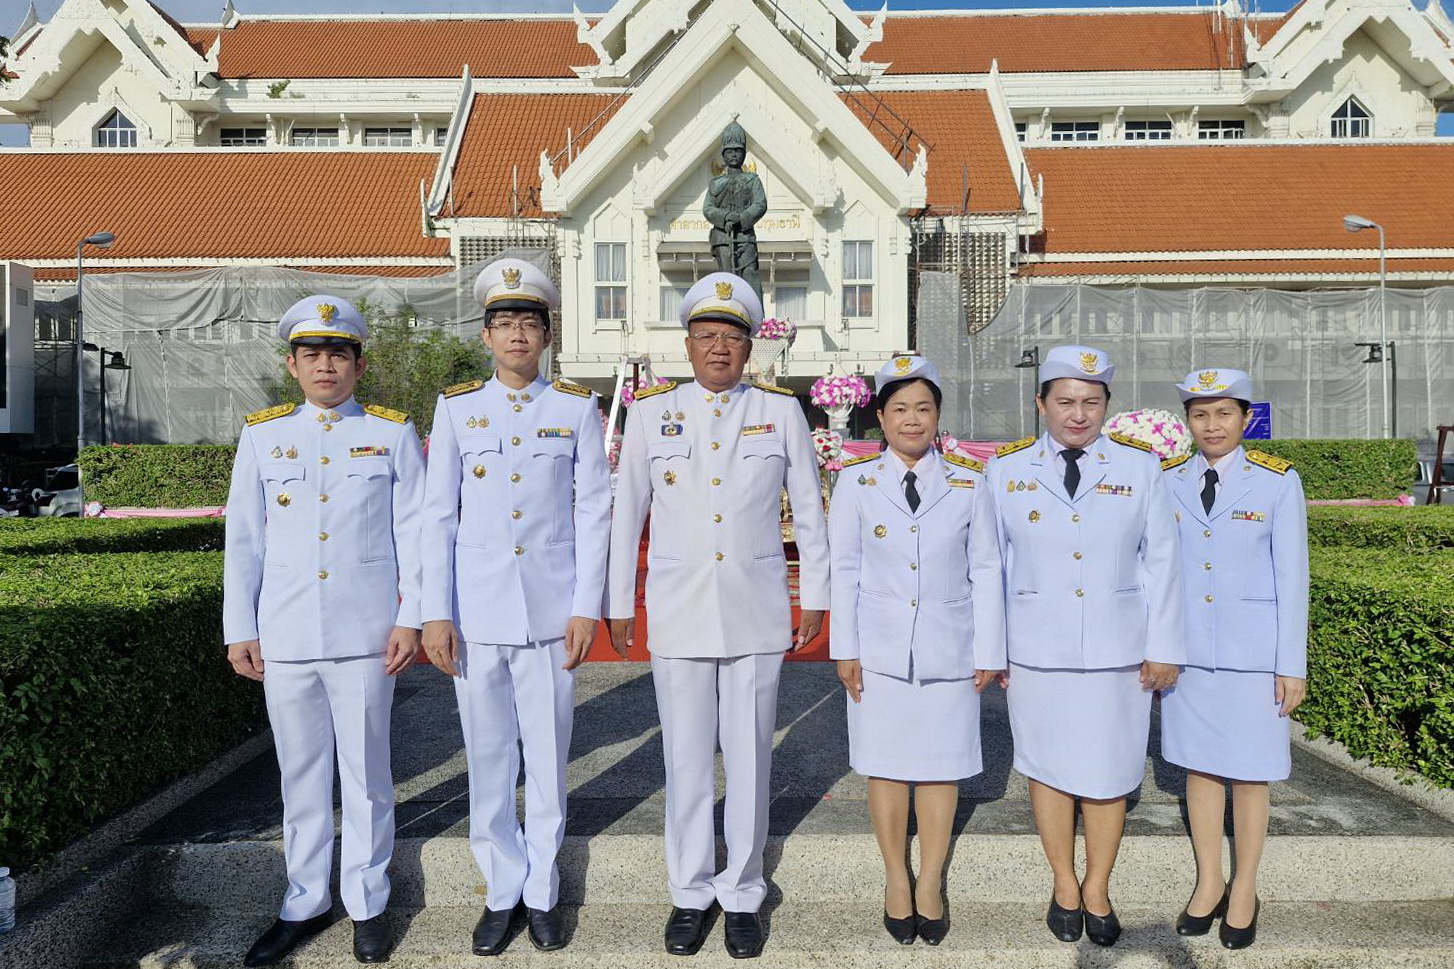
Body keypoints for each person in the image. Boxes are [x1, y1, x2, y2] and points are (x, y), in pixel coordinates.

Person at [605, 272, 829, 959]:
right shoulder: (650, 411)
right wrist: (619, 602)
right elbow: (626, 516)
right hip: (677, 611)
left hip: (757, 609)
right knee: (687, 761)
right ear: (688, 344)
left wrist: (815, 592)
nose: (719, 349)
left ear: (749, 345)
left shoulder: (779, 410)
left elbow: (811, 510)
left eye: (732, 337)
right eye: (706, 336)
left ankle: (743, 890)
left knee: (752, 758)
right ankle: (690, 890)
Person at [223, 296, 423, 966]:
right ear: (292, 363)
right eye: (313, 353)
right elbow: (244, 541)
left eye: (339, 353)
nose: (326, 365)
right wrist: (239, 627)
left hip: (366, 633)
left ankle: (368, 899)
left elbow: (415, 534)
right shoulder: (263, 435)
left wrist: (411, 615)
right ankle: (305, 900)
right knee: (300, 775)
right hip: (285, 635)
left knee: (366, 774)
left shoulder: (393, 433)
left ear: (359, 363)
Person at [419, 258, 611, 955]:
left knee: (549, 753)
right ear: (486, 335)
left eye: (529, 323)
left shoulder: (575, 406)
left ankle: (543, 890)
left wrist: (586, 606)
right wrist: (434, 611)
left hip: (551, 615)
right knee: (490, 754)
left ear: (547, 334)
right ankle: (501, 887)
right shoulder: (458, 408)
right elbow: (437, 517)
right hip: (476, 616)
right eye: (505, 323)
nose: (517, 335)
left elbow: (594, 511)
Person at [983, 345, 1184, 948]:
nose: (1078, 414)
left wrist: (1162, 645)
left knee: (1109, 771)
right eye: (1065, 401)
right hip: (1036, 648)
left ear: (1106, 407)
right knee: (1045, 768)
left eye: (1091, 402)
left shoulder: (1140, 468)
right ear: (1041, 403)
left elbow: (1163, 563)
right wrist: (992, 651)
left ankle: (1098, 886)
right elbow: (990, 565)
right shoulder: (1005, 470)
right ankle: (1063, 883)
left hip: (1117, 650)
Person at [829, 355, 1005, 947]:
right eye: (899, 408)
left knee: (940, 766)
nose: (912, 419)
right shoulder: (855, 482)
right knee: (885, 764)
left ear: (937, 417)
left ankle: (929, 880)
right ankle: (895, 879)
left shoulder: (967, 481)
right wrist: (844, 648)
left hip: (948, 647)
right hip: (878, 648)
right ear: (880, 416)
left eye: (923, 408)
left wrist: (990, 647)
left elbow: (986, 568)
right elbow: (844, 570)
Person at [1160, 368, 1308, 950]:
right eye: (1200, 414)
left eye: (1224, 414)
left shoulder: (1276, 482)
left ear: (1246, 419)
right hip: (1188, 653)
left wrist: (1290, 663)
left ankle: (1245, 886)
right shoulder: (1168, 480)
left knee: (1250, 776)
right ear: (1188, 422)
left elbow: (1293, 577)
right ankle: (1209, 881)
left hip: (1254, 654)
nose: (1212, 425)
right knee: (1198, 769)